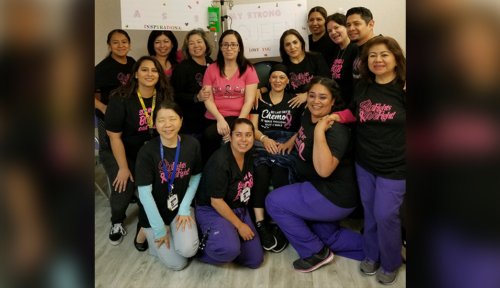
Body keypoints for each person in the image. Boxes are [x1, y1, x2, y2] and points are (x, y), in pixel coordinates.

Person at [266, 77, 365, 273]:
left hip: (333, 195)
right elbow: (304, 132)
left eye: (322, 97)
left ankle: (315, 252)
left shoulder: (337, 131)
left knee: (273, 202)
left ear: (333, 101)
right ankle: (379, 247)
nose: (315, 101)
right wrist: (292, 141)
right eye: (312, 95)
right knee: (325, 236)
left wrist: (320, 129)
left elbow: (324, 170)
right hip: (320, 189)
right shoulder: (308, 113)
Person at [330, 36, 406, 285]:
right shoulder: (363, 86)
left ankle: (392, 260)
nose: (378, 60)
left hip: (396, 165)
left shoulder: (404, 86)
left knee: (386, 215)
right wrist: (334, 118)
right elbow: (353, 112)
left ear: (396, 58)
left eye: (384, 54)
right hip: (365, 162)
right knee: (371, 213)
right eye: (372, 55)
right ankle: (372, 254)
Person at [102, 56, 173, 246]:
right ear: (135, 74)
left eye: (154, 70)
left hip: (151, 150)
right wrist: (124, 168)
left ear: (160, 75)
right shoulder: (121, 99)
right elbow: (114, 137)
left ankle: (147, 224)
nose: (150, 74)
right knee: (123, 184)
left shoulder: (164, 96)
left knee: (157, 186)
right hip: (122, 150)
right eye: (144, 70)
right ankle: (117, 221)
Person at [135, 100, 202, 270]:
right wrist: (158, 229)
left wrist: (185, 207)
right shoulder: (147, 151)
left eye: (172, 119)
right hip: (154, 213)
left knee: (188, 250)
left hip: (179, 209)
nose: (167, 125)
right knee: (178, 264)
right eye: (161, 120)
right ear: (154, 123)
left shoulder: (192, 144)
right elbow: (144, 194)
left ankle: (170, 232)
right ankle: (144, 230)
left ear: (181, 120)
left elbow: (196, 176)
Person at [249, 63, 304, 252]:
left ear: (288, 80)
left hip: (286, 143)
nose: (277, 80)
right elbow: (253, 129)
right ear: (269, 80)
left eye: (282, 77)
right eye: (274, 77)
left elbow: (302, 129)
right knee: (260, 173)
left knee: (281, 173)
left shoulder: (294, 100)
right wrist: (264, 140)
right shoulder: (259, 98)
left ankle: (283, 224)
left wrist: (290, 143)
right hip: (262, 141)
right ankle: (260, 223)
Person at [195, 119, 264, 269]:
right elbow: (216, 201)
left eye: (248, 135)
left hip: (238, 206)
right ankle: (202, 246)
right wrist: (239, 226)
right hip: (213, 209)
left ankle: (226, 240)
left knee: (255, 260)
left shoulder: (249, 152)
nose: (244, 140)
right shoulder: (220, 162)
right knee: (228, 251)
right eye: (238, 134)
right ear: (230, 137)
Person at [201, 29, 259, 164]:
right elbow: (207, 98)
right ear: (220, 47)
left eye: (233, 44)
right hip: (215, 116)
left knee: (239, 139)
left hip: (240, 116)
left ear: (239, 48)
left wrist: (237, 126)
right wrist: (220, 119)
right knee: (209, 135)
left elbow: (249, 100)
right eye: (225, 44)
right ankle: (211, 171)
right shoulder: (211, 69)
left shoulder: (248, 69)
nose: (229, 48)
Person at [171, 28, 214, 142]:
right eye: (191, 43)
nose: (196, 46)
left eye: (199, 41)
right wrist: (196, 97)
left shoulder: (212, 63)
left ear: (205, 44)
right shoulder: (182, 68)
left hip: (211, 121)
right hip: (191, 126)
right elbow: (174, 95)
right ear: (187, 48)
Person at [95, 29, 136, 151]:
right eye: (115, 42)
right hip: (109, 116)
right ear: (109, 45)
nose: (120, 46)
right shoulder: (102, 68)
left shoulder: (132, 62)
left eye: (124, 42)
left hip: (129, 114)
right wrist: (102, 107)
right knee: (109, 148)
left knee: (127, 146)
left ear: (129, 43)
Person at [278, 29, 330, 109]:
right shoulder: (283, 66)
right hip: (294, 106)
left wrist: (308, 94)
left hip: (317, 101)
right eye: (287, 44)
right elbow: (272, 84)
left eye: (295, 42)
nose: (292, 47)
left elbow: (327, 81)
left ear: (301, 42)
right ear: (284, 48)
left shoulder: (316, 58)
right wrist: (259, 91)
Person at [326, 13, 359, 105]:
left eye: (336, 27)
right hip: (337, 102)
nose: (333, 32)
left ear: (346, 27)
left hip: (351, 104)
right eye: (329, 31)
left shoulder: (354, 48)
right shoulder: (337, 49)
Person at [346, 7, 377, 87]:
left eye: (357, 24)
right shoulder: (358, 47)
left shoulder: (381, 47)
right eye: (348, 25)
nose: (351, 28)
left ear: (371, 24)